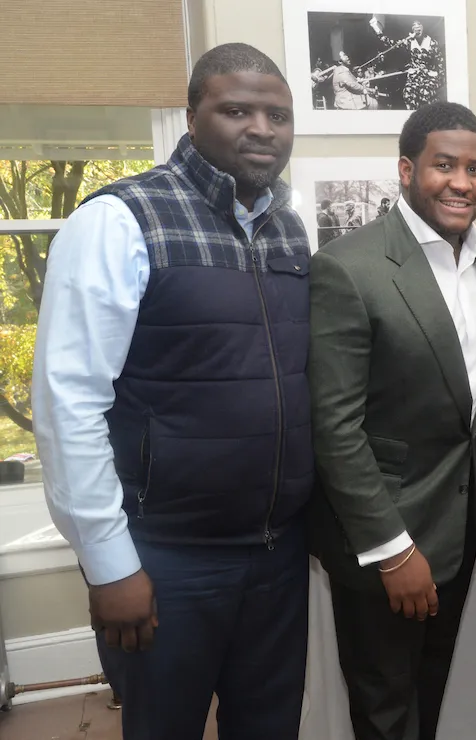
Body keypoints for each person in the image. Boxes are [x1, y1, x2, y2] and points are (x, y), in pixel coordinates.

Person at [31, 43, 312, 739]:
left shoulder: (289, 230)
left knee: (269, 728)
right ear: (192, 116)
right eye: (237, 109)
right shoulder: (121, 219)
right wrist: (109, 563)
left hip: (277, 557)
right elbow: (68, 402)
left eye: (278, 115)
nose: (262, 129)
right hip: (167, 559)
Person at [307, 101, 476, 740]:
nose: (461, 182)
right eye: (443, 165)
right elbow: (336, 427)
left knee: (429, 698)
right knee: (386, 713)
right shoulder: (349, 267)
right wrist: (393, 552)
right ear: (405, 169)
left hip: (454, 536)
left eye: (474, 168)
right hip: (386, 543)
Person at [402, 20, 445, 110]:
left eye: (419, 24)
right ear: (412, 29)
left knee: (426, 94)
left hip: (428, 76)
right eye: (414, 25)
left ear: (423, 27)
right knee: (408, 93)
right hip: (414, 77)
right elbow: (393, 45)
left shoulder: (432, 43)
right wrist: (378, 32)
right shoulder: (409, 42)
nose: (417, 27)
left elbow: (440, 61)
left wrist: (438, 75)